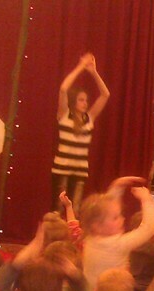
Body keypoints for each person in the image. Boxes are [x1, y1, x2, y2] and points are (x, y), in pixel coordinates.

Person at [80, 176, 154, 291]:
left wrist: (117, 188)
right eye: (115, 218)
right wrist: (147, 200)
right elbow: (148, 228)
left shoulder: (89, 237)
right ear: (97, 226)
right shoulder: (118, 244)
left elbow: (104, 210)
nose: (122, 219)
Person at [52, 53, 110, 213]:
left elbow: (105, 94)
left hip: (80, 171)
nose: (85, 103)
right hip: (61, 170)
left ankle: (72, 230)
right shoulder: (64, 115)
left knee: (75, 210)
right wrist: (80, 67)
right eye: (81, 100)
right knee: (58, 210)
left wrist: (94, 72)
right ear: (73, 101)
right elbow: (63, 89)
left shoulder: (89, 118)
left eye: (86, 100)